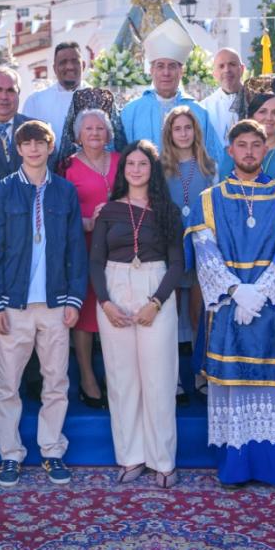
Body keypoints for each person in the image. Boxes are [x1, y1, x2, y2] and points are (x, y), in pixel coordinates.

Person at [185, 119, 275, 489]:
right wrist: (237, 291)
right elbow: (204, 249)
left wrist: (262, 293)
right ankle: (236, 467)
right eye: (242, 145)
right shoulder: (210, 199)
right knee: (234, 385)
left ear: (266, 149)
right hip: (228, 306)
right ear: (230, 151)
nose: (250, 151)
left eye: (256, 144)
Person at [0, 120, 87, 487]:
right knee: (7, 383)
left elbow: (76, 247)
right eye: (27, 143)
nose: (34, 149)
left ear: (50, 146)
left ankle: (52, 450)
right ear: (19, 149)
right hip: (13, 303)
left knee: (56, 380)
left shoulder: (65, 192)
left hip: (56, 304)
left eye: (40, 142)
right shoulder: (4, 191)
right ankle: (10, 454)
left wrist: (74, 299)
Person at [89, 140, 185, 486]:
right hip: (114, 290)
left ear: (152, 169)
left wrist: (156, 302)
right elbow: (95, 262)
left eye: (142, 164)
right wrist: (106, 302)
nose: (136, 169)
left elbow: (177, 264)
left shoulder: (167, 211)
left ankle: (162, 461)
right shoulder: (109, 211)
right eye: (130, 164)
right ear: (123, 169)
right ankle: (131, 457)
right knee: (122, 379)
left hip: (155, 289)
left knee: (158, 380)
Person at [60, 106, 121, 409]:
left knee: (114, 308)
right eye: (89, 129)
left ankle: (115, 377)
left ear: (108, 133)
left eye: (100, 128)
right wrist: (89, 221)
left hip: (119, 249)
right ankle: (87, 378)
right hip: (83, 246)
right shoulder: (67, 167)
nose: (95, 133)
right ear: (78, 135)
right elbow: (61, 211)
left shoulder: (122, 162)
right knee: (84, 314)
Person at [159, 106, 217, 361]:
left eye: (188, 128)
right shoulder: (160, 167)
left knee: (197, 312)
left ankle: (200, 372)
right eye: (177, 128)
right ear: (169, 133)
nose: (183, 134)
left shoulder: (209, 166)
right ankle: (174, 380)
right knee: (169, 314)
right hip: (170, 246)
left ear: (196, 131)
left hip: (200, 247)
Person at [121, 19, 223, 162]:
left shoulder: (198, 112)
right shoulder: (131, 112)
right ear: (151, 70)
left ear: (181, 71)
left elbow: (214, 159)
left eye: (172, 66)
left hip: (189, 183)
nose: (166, 73)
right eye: (160, 66)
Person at [216, 85, 275, 191]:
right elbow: (223, 190)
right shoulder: (233, 150)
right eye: (262, 111)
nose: (269, 118)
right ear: (251, 116)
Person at [22, 42, 88, 151]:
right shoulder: (36, 101)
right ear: (54, 68)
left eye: (75, 61)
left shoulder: (98, 98)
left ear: (83, 65)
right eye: (63, 62)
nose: (70, 67)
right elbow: (26, 141)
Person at [200, 47, 248, 148]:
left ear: (242, 69)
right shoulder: (205, 108)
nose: (227, 70)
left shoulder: (256, 100)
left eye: (232, 64)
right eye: (221, 66)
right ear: (214, 74)